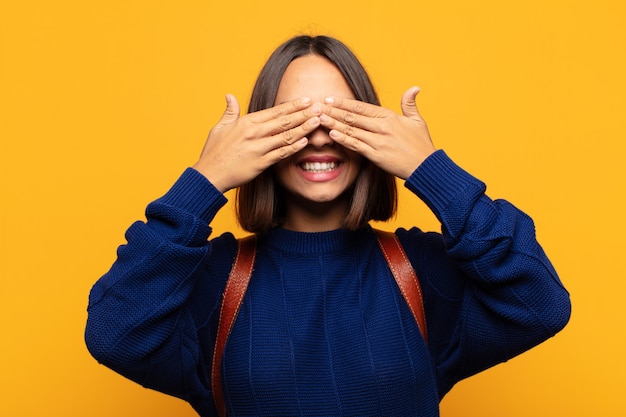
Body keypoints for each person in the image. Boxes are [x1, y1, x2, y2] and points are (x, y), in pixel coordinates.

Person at [85, 35, 571, 417]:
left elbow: (541, 306)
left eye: (342, 116)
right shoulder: (213, 280)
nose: (318, 134)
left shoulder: (423, 273)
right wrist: (206, 178)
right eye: (292, 118)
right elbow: (113, 334)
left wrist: (430, 168)